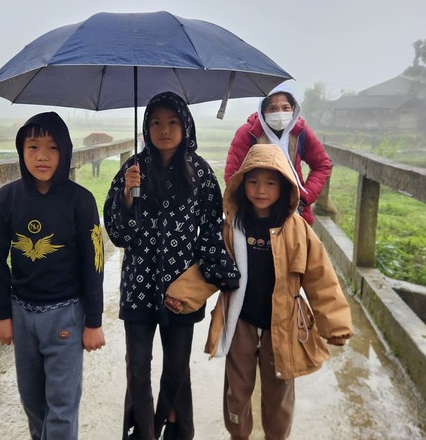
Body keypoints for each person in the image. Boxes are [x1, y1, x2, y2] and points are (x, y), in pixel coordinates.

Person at [104, 92, 239, 440]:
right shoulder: (132, 169)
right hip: (138, 285)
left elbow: (211, 229)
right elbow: (119, 234)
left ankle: (172, 426)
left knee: (177, 368)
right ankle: (143, 433)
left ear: (185, 126)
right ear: (146, 127)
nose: (164, 130)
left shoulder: (201, 173)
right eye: (156, 123)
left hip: (181, 286)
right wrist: (127, 194)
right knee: (137, 367)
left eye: (172, 122)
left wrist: (214, 275)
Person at [206, 143, 354, 440]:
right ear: (241, 184)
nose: (261, 190)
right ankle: (238, 433)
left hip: (283, 323)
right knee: (237, 387)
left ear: (284, 186)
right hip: (241, 322)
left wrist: (335, 324)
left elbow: (321, 278)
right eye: (253, 181)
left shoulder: (297, 229)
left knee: (279, 389)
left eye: (270, 183)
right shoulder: (233, 226)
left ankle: (276, 435)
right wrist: (181, 296)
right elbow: (209, 268)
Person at [0, 111, 106, 440]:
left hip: (66, 316)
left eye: (53, 147)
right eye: (33, 147)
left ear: (65, 151)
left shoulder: (81, 201)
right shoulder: (6, 199)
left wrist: (93, 321)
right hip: (22, 315)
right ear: (21, 150)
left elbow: (94, 263)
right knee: (33, 403)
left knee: (62, 406)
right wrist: (2, 315)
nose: (42, 156)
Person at [224, 84, 332, 225]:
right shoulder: (248, 133)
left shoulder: (300, 132)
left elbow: (322, 164)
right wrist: (250, 202)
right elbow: (232, 175)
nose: (280, 114)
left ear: (293, 109)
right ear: (263, 110)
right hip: (254, 213)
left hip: (293, 212)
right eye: (272, 108)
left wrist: (304, 197)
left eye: (285, 108)